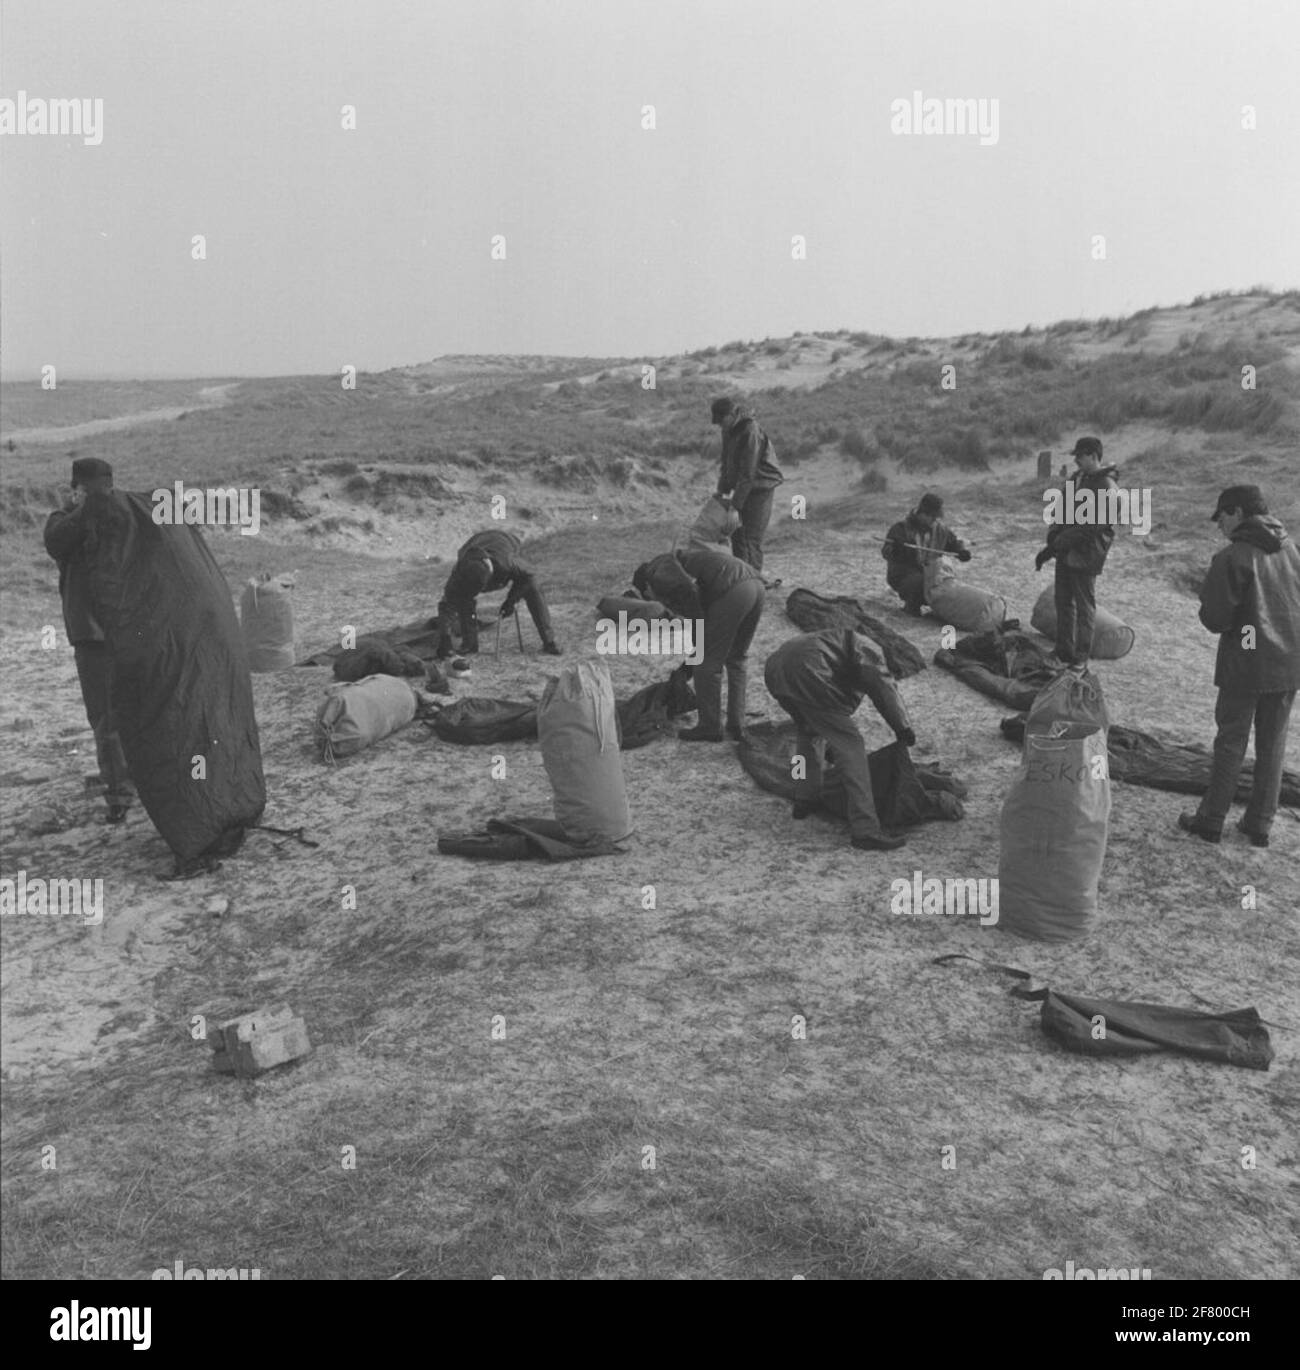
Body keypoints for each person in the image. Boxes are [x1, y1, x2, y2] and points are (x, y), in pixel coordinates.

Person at [1179, 485, 1300, 848]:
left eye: (1221, 517)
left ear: (1236, 512)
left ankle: (1211, 819)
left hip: (1247, 662)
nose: (1219, 525)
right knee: (1273, 743)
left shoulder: (1233, 556)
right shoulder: (1291, 548)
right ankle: (1260, 823)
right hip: (1289, 661)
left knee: (1231, 741)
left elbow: (1215, 619)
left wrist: (1241, 627)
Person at [764, 628, 916, 851]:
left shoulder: (847, 640)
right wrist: (903, 728)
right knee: (851, 745)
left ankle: (805, 797)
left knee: (808, 733)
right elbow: (883, 688)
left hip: (776, 670)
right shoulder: (871, 652)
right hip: (808, 671)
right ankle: (865, 829)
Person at [43, 457, 135, 823]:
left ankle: (133, 786)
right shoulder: (61, 521)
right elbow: (57, 542)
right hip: (93, 635)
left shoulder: (122, 516)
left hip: (129, 629)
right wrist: (89, 508)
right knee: (107, 719)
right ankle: (119, 795)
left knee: (137, 708)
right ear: (75, 491)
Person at [634, 547, 764, 742]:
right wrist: (690, 663)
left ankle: (710, 727)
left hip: (731, 590)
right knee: (736, 658)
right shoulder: (673, 562)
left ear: (647, 587)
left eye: (649, 597)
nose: (655, 600)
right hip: (755, 584)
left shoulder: (658, 575)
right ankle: (736, 724)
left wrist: (693, 661)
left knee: (707, 664)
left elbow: (694, 606)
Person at [1035, 437, 1120, 668]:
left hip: (1086, 554)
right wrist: (1053, 536)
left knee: (1084, 607)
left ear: (1093, 455)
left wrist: (1060, 541)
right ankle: (1064, 651)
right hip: (1065, 550)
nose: (1076, 460)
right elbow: (1061, 508)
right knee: (1063, 601)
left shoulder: (1107, 487)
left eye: (1080, 456)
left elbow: (1093, 526)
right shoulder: (1078, 478)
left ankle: (1080, 658)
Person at [435, 529, 561, 658]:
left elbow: (529, 576)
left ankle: (549, 641)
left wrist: (511, 601)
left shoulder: (508, 561)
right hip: (476, 544)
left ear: (490, 572)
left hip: (506, 541)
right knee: (463, 597)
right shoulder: (460, 571)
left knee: (533, 589)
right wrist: (445, 639)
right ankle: (470, 645)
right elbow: (447, 604)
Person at [711, 398, 783, 572]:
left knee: (750, 538)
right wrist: (722, 491)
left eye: (722, 421)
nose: (720, 426)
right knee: (737, 535)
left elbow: (748, 473)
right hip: (744, 485)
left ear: (731, 414)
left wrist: (734, 507)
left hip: (761, 487)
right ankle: (742, 580)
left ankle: (754, 583)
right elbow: (726, 464)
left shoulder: (750, 431)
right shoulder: (728, 430)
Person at [882, 493, 971, 615]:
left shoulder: (940, 530)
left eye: (936, 517)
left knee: (945, 587)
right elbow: (886, 552)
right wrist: (896, 549)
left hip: (930, 575)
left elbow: (954, 543)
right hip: (902, 575)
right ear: (921, 513)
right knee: (919, 582)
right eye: (932, 517)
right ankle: (911, 608)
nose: (934, 520)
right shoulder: (900, 529)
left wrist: (961, 551)